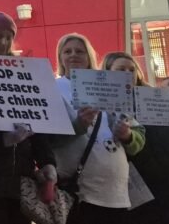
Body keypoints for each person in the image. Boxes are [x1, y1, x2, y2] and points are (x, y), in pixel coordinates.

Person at [0, 12, 56, 224]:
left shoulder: (22, 72)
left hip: (21, 179)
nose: (4, 42)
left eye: (9, 37)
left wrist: (46, 161)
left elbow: (35, 119)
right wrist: (2, 141)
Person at [51, 34, 144, 224]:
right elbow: (46, 140)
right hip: (80, 194)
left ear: (89, 56)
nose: (73, 55)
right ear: (60, 57)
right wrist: (78, 126)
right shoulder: (53, 88)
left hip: (117, 194)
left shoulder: (111, 85)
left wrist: (127, 135)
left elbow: (139, 137)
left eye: (80, 51)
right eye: (67, 51)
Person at [103, 53, 169, 224]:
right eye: (120, 70)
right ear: (107, 73)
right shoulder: (103, 105)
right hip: (138, 188)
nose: (127, 74)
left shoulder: (159, 100)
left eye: (131, 70)